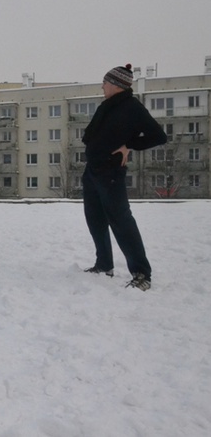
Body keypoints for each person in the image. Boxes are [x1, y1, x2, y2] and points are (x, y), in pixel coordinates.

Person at [81, 63, 167, 291]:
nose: (102, 86)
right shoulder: (106, 106)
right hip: (92, 171)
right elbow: (90, 135)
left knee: (121, 222)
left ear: (117, 85)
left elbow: (159, 136)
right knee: (95, 219)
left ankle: (142, 274)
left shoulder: (133, 108)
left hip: (111, 173)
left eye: (105, 82)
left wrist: (129, 145)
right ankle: (104, 265)